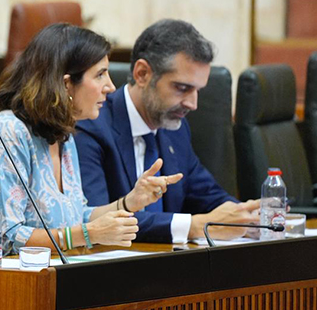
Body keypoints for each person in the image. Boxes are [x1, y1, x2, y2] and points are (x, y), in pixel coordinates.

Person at [0, 24, 180, 258]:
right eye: (100, 74)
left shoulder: (63, 135)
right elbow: (3, 237)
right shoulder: (9, 132)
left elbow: (77, 217)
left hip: (51, 270)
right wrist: (87, 234)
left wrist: (129, 202)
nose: (111, 87)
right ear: (66, 84)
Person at [75, 19, 260, 243]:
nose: (193, 104)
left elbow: (206, 194)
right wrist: (193, 227)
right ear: (142, 74)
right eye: (182, 88)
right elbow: (97, 220)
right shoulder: (91, 125)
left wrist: (247, 216)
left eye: (198, 90)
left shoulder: (174, 128)